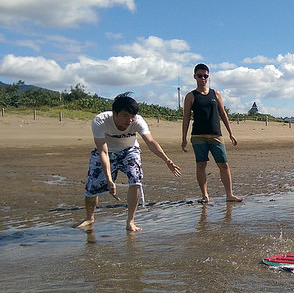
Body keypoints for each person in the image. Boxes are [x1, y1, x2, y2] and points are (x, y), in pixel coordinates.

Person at [74, 93, 181, 232]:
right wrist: (109, 180)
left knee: (136, 179)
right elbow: (103, 152)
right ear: (115, 113)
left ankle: (130, 221)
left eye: (133, 115)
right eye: (125, 115)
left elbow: (150, 142)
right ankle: (89, 218)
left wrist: (167, 160)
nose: (130, 120)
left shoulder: (138, 121)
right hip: (107, 151)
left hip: (129, 150)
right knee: (91, 187)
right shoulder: (100, 121)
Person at [182, 63, 244, 203]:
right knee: (201, 164)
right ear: (195, 77)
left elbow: (223, 113)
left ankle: (229, 194)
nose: (203, 78)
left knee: (223, 164)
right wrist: (184, 138)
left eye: (205, 76)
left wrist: (231, 133)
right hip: (198, 136)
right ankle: (205, 195)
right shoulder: (191, 96)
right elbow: (186, 117)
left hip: (216, 135)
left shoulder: (215, 94)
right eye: (200, 76)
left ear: (209, 77)